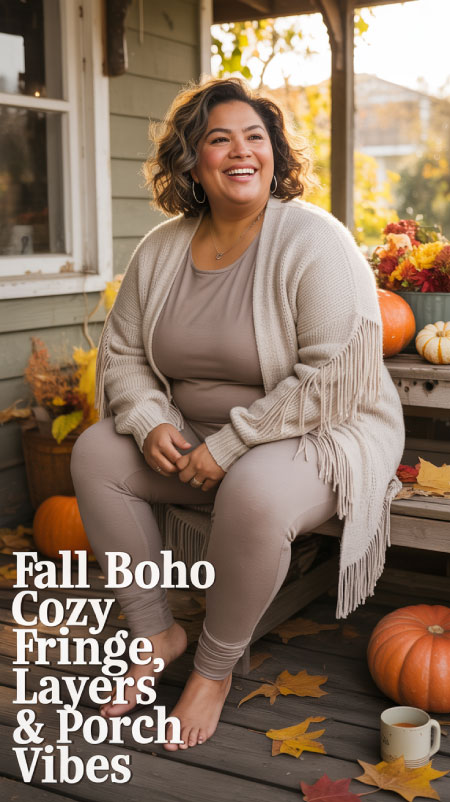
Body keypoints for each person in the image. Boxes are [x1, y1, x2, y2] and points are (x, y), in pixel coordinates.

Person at [70, 77, 404, 751]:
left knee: (253, 489)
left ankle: (214, 669)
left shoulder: (315, 241)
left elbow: (335, 378)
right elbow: (126, 357)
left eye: (256, 137)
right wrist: (148, 419)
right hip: (195, 438)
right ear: (192, 162)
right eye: (218, 139)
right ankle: (155, 631)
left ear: (275, 155)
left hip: (320, 431)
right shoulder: (163, 248)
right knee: (98, 452)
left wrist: (231, 445)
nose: (240, 151)